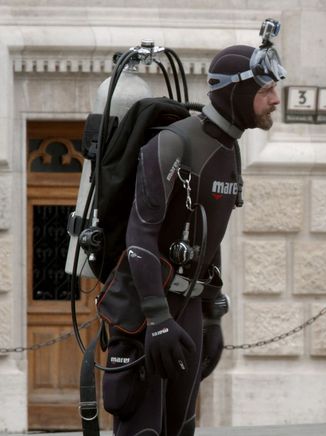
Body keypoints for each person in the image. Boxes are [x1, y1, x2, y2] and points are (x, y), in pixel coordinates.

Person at [102, 43, 284, 436]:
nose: (275, 99)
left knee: (182, 427)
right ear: (236, 90)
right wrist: (157, 317)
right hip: (145, 312)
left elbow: (209, 236)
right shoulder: (173, 143)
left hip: (187, 310)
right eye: (265, 90)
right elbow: (140, 235)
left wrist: (212, 311)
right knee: (144, 429)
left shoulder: (230, 150)